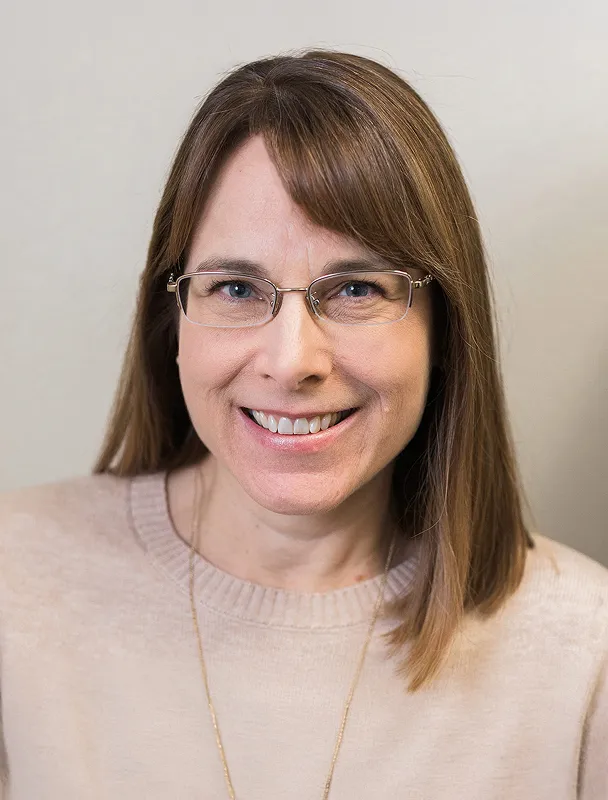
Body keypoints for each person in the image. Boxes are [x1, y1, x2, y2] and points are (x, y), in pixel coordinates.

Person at [0, 49, 606, 800]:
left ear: (444, 329)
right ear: (174, 321)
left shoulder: (587, 653)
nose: (291, 362)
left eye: (355, 287)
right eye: (234, 287)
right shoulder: (14, 584)